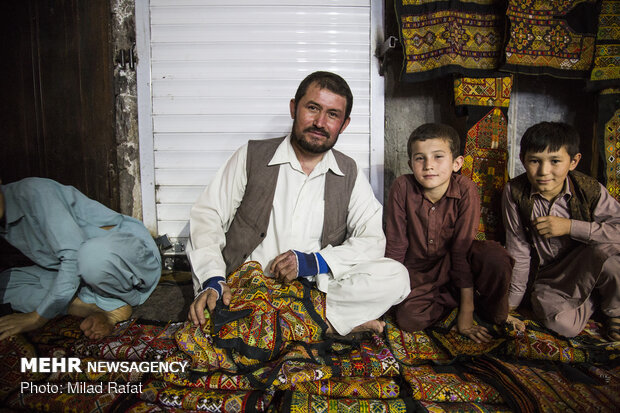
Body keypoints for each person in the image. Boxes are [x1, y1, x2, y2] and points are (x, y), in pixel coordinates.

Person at [186, 71, 410, 337]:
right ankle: (322, 327)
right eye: (313, 108)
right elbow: (207, 216)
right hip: (247, 288)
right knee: (212, 314)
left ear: (344, 124)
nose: (320, 122)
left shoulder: (348, 171)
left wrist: (313, 262)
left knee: (396, 276)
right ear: (294, 108)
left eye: (332, 114)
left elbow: (371, 239)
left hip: (313, 291)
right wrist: (213, 278)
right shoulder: (252, 155)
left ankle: (287, 325)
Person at [385, 123, 515, 343]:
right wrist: (384, 296)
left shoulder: (465, 189)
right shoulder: (402, 187)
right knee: (408, 319)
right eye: (420, 158)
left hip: (458, 264)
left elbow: (460, 252)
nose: (428, 166)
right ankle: (455, 301)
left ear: (456, 163)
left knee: (495, 256)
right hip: (419, 273)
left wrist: (466, 315)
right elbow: (396, 246)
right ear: (410, 164)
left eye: (438, 157)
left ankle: (469, 304)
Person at [0, 177, 161, 340]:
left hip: (129, 262)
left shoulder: (35, 191)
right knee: (5, 285)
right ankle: (89, 306)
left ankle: (111, 302)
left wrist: (38, 317)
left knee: (92, 255)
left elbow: (72, 255)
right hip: (84, 273)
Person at [502, 121, 620, 340]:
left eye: (555, 161)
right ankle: (594, 300)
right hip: (550, 278)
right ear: (522, 160)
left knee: (609, 253)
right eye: (535, 161)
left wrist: (570, 227)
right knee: (561, 325)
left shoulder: (589, 189)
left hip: (588, 263)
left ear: (573, 161)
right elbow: (518, 248)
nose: (544, 171)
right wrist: (511, 304)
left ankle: (615, 311)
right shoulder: (515, 192)